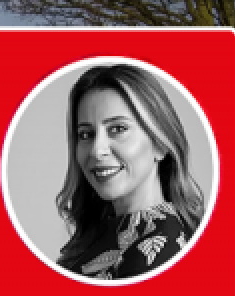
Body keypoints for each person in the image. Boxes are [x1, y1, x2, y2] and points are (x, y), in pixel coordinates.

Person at [54, 64, 205, 280]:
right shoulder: (103, 234)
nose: (97, 151)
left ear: (160, 144)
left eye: (117, 129)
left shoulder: (161, 248)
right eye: (86, 134)